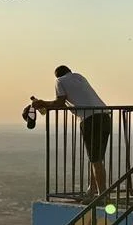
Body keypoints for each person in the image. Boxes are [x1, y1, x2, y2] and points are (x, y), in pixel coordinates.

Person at [32, 65, 112, 196]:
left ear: (57, 75)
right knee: (97, 158)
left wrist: (43, 103)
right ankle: (91, 190)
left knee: (95, 160)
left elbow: (60, 102)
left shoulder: (60, 81)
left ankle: (102, 195)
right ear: (69, 71)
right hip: (105, 116)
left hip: (90, 119)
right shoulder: (79, 77)